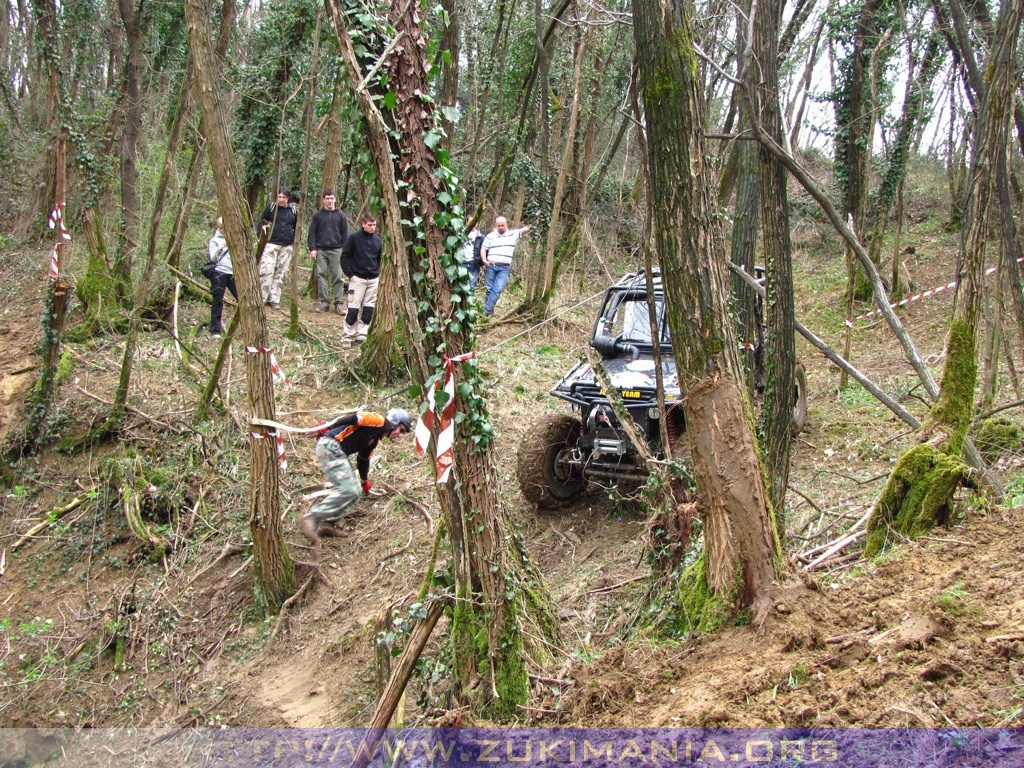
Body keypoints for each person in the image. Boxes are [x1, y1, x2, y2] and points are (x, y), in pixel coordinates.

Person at [298, 408, 413, 543]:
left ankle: (327, 524)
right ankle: (311, 518)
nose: (400, 435)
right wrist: (327, 427)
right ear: (394, 422)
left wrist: (364, 482)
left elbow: (363, 459)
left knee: (355, 491)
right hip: (331, 446)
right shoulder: (378, 421)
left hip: (336, 451)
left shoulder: (374, 439)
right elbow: (353, 418)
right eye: (401, 430)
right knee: (350, 489)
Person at [340, 211, 382, 349]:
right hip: (357, 278)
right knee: (353, 309)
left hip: (373, 279)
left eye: (374, 225)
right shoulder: (353, 239)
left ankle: (361, 334)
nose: (372, 228)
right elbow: (345, 257)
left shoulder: (377, 241)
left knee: (368, 309)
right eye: (370, 225)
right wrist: (350, 274)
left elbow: (379, 259)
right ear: (363, 224)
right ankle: (347, 335)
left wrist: (378, 274)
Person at [307, 189, 349, 313]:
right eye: (327, 198)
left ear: (335, 199)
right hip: (321, 250)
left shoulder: (341, 215)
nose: (330, 201)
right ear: (323, 200)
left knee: (338, 276)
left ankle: (339, 303)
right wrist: (313, 249)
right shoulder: (318, 216)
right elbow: (312, 234)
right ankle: (324, 302)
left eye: (332, 198)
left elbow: (345, 235)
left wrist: (345, 251)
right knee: (321, 276)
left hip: (337, 250)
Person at [481, 216, 530, 317]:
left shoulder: (513, 234)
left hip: (504, 268)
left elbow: (527, 228)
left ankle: (485, 311)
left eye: (502, 225)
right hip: (491, 266)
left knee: (498, 289)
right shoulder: (490, 236)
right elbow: (483, 248)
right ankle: (489, 313)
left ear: (506, 224)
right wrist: (484, 260)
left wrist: (535, 218)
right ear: (496, 225)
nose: (500, 227)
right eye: (498, 225)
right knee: (490, 289)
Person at [257, 187, 298, 309]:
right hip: (271, 243)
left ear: (288, 198)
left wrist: (294, 242)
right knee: (267, 270)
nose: (281, 200)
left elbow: (296, 227)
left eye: (284, 197)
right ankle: (262, 297)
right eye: (279, 197)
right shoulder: (271, 208)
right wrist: (260, 235)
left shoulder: (293, 210)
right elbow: (262, 222)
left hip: (287, 245)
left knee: (281, 272)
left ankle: (274, 299)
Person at [207, 217, 236, 339]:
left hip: (233, 273)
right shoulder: (214, 240)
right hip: (219, 272)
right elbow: (212, 258)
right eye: (221, 227)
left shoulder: (234, 238)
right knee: (218, 301)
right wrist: (219, 249)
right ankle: (215, 330)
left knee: (241, 297)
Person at [462, 225, 484, 291]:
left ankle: (471, 300)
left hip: (474, 263)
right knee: (462, 284)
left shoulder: (480, 236)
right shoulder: (461, 234)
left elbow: (484, 250)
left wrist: (480, 262)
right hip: (462, 262)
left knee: (472, 285)